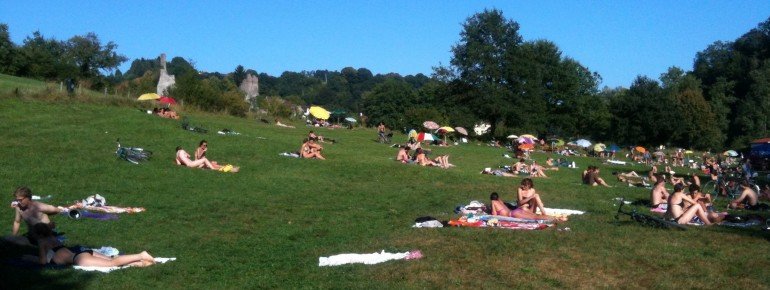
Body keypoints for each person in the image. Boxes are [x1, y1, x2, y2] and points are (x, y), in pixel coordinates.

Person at [30, 223, 155, 267]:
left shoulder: (42, 242)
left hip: (79, 259)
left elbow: (42, 262)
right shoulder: (53, 238)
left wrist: (32, 258)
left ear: (38, 235)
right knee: (112, 260)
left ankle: (141, 255)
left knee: (112, 263)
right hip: (82, 253)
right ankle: (140, 263)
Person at [489, 192, 566, 222]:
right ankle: (557, 218)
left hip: (513, 214)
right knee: (535, 215)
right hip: (517, 210)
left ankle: (557, 219)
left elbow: (494, 215)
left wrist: (491, 205)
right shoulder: (500, 201)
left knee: (535, 217)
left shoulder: (494, 202)